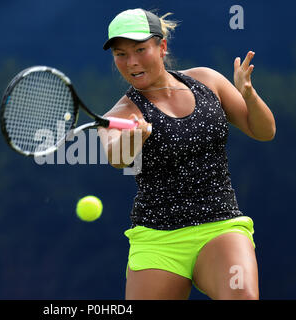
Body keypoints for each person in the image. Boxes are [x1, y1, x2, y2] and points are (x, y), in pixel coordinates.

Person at [98, 8, 276, 300]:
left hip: (221, 226)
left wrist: (249, 95)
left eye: (140, 49)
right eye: (121, 54)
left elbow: (264, 131)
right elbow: (117, 157)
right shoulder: (119, 115)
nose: (131, 62)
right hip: (157, 240)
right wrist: (133, 138)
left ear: (162, 47)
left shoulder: (208, 80)